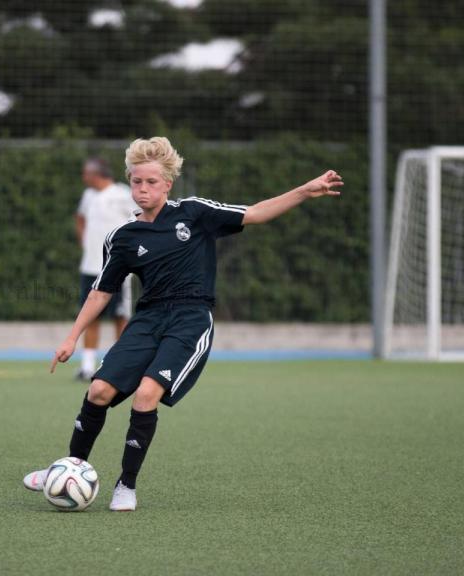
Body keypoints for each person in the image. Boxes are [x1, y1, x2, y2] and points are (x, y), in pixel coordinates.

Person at [23, 137, 341, 510]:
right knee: (98, 392)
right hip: (149, 318)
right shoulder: (122, 238)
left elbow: (254, 213)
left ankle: (126, 485)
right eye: (137, 181)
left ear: (167, 184)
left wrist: (304, 190)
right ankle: (68, 467)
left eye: (151, 182)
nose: (143, 189)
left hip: (190, 320)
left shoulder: (194, 212)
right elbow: (101, 292)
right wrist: (71, 338)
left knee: (145, 394)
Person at [74, 158, 137, 380]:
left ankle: (119, 365)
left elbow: (141, 220)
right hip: (90, 267)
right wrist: (86, 243)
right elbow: (80, 219)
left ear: (96, 174)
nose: (83, 177)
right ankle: (87, 367)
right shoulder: (88, 196)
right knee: (89, 315)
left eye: (86, 173)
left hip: (117, 268)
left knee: (120, 317)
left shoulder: (123, 194)